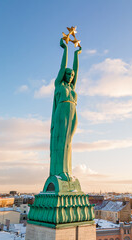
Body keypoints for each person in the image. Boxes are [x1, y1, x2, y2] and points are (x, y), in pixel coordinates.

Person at [49, 38, 82, 181]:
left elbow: (77, 70)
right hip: (61, 112)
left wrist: (77, 55)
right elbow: (63, 68)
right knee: (61, 141)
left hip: (73, 113)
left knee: (69, 142)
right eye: (69, 74)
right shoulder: (59, 85)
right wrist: (66, 50)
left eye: (72, 75)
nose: (71, 76)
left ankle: (67, 170)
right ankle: (60, 171)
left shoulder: (72, 88)